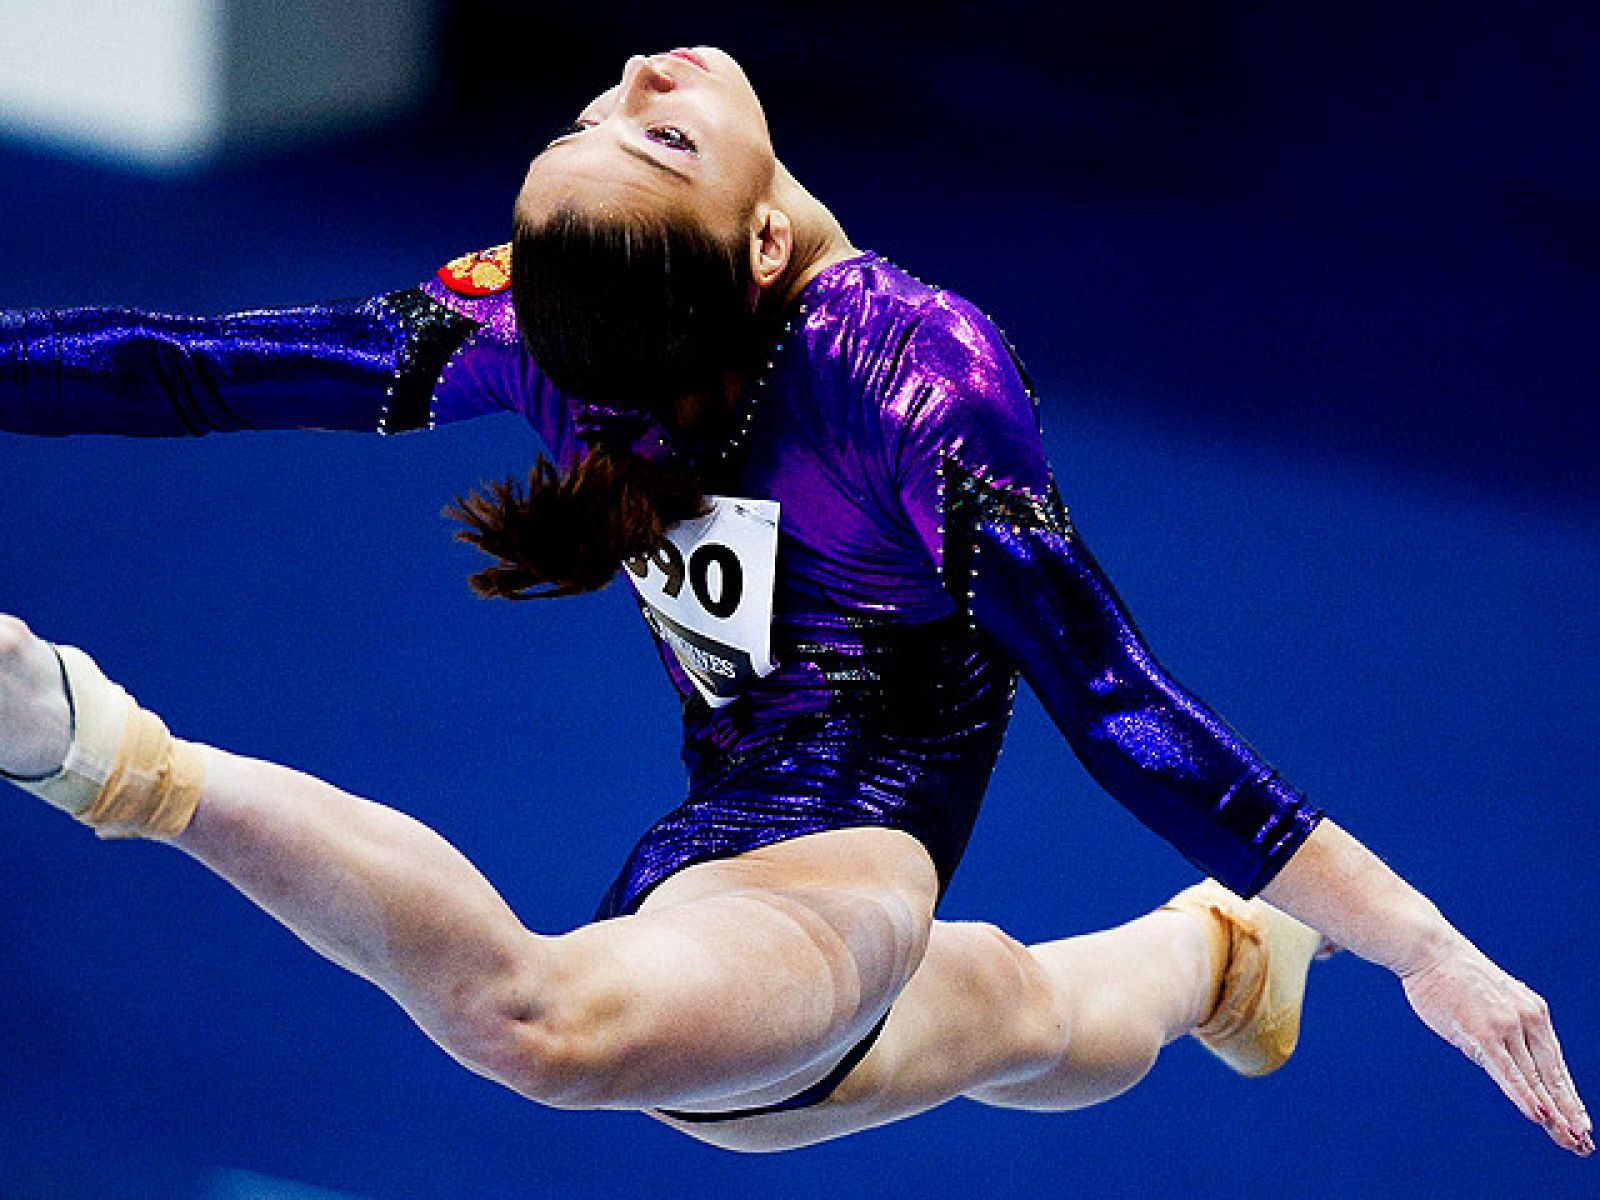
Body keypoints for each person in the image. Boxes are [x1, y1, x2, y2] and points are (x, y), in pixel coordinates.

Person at [0, 46, 1589, 1157]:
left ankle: (89, 748)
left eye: (620, 119)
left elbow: (1109, 695)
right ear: (761, 243)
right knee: (1027, 1016)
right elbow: (186, 366)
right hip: (753, 906)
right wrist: (1427, 948)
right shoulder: (780, 349)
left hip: (834, 874)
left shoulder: (762, 347)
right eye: (639, 134)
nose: (639, 76)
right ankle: (1222, 957)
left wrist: (1418, 947)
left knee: (544, 1024)